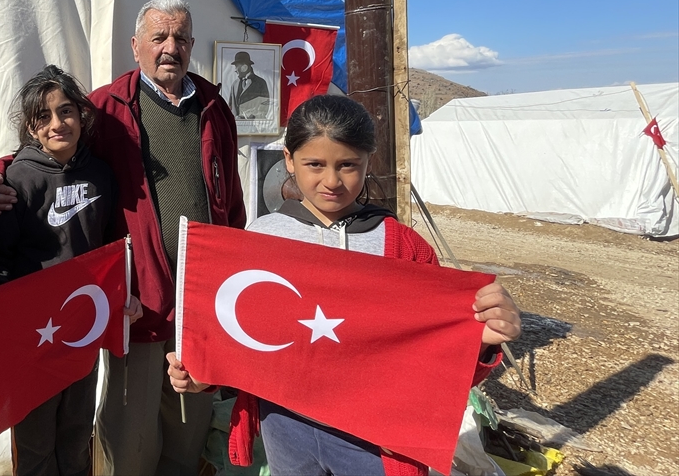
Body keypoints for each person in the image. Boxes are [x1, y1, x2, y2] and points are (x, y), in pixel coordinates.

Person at [165, 94, 522, 476]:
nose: (332, 181)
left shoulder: (402, 249)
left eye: (348, 165)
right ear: (288, 159)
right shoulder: (261, 239)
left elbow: (437, 360)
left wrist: (482, 341)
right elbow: (243, 334)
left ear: (369, 161)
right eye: (314, 164)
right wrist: (201, 372)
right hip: (283, 424)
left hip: (374, 438)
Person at [0, 0, 245, 475]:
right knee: (129, 444)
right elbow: (51, 155)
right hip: (136, 298)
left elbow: (232, 200)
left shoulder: (214, 106)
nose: (170, 48)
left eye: (180, 38)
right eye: (158, 37)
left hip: (201, 300)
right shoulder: (107, 107)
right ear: (135, 45)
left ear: (192, 45)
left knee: (186, 436)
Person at [0, 64, 133, 476]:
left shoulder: (101, 175)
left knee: (78, 426)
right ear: (30, 125)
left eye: (66, 111)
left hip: (83, 322)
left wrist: (121, 291)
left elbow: (112, 245)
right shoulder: (15, 180)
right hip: (32, 334)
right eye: (43, 116)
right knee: (36, 432)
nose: (57, 123)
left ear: (82, 115)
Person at [228, 50, 270, 120]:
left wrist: (251, 116)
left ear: (244, 67)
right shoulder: (234, 84)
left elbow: (265, 105)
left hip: (254, 125)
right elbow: (230, 106)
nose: (235, 70)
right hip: (236, 126)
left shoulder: (260, 83)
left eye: (236, 66)